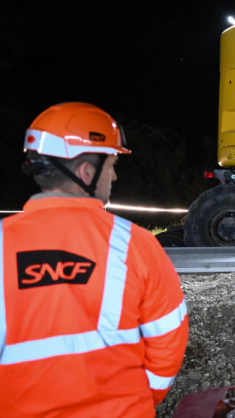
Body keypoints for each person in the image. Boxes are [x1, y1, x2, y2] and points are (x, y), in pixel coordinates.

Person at [0, 102, 189, 417]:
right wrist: (141, 397)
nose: (113, 176)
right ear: (86, 172)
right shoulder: (135, 244)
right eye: (112, 164)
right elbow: (169, 337)